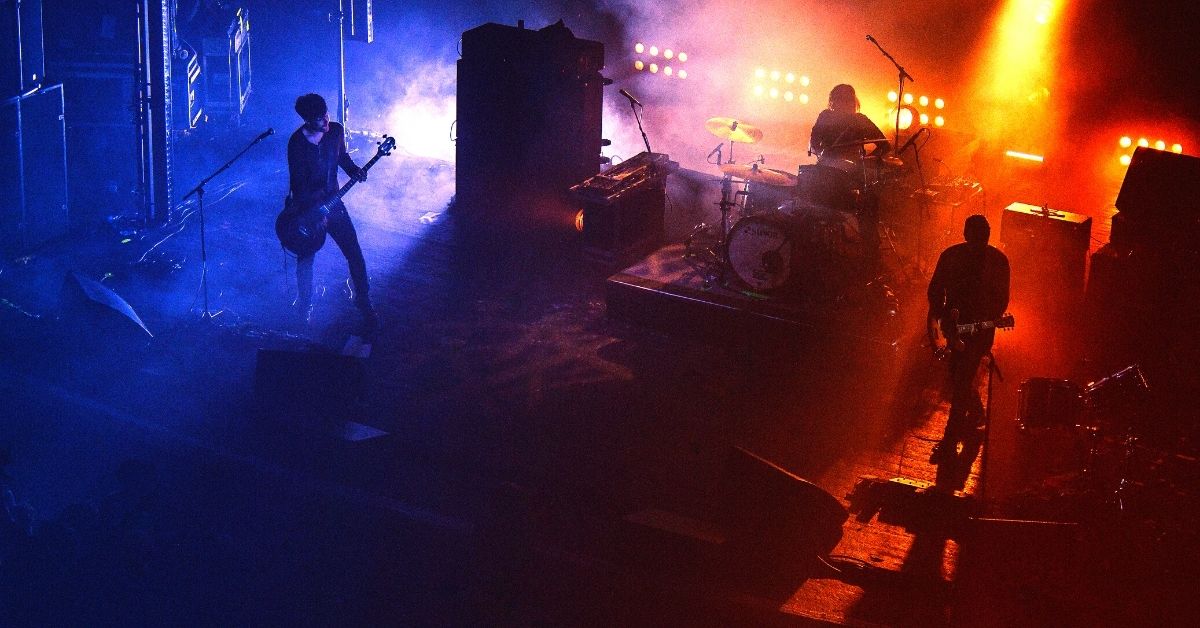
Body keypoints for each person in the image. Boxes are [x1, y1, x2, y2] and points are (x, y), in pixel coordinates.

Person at [287, 93, 377, 334]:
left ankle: (363, 300)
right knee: (306, 259)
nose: (326, 121)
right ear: (307, 120)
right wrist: (315, 213)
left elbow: (343, 158)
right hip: (308, 211)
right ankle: (305, 307)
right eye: (319, 119)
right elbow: (298, 185)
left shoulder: (335, 132)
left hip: (335, 204)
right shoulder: (296, 143)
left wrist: (354, 170)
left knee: (354, 252)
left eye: (326, 114)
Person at [926, 214, 1010, 464]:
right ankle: (976, 413)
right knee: (956, 377)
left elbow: (1000, 303)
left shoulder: (994, 262)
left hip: (978, 333)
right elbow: (935, 290)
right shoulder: (957, 257)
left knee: (961, 381)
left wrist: (978, 324)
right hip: (956, 330)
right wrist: (942, 318)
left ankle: (950, 443)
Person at [807, 84, 891, 271]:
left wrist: (864, 161)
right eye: (840, 99)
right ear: (834, 100)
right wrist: (821, 153)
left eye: (846, 99)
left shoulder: (859, 120)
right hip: (827, 172)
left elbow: (885, 145)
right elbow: (813, 141)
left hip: (850, 174)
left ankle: (868, 254)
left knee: (868, 203)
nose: (843, 103)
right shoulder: (826, 116)